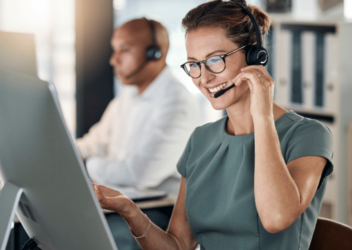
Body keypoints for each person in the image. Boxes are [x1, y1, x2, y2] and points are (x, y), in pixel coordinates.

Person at [92, 1, 334, 250]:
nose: (204, 78)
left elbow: (276, 218)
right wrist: (128, 209)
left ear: (254, 55)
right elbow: (178, 245)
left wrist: (261, 114)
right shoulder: (201, 140)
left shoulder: (308, 135)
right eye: (194, 64)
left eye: (215, 60)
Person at [76, 18, 201, 249]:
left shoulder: (177, 104)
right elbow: (94, 143)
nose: (114, 60)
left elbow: (140, 175)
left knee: (104, 239)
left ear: (155, 53)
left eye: (124, 50)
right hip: (118, 201)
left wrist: (87, 165)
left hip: (157, 213)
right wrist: (51, 155)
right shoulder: (128, 96)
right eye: (115, 50)